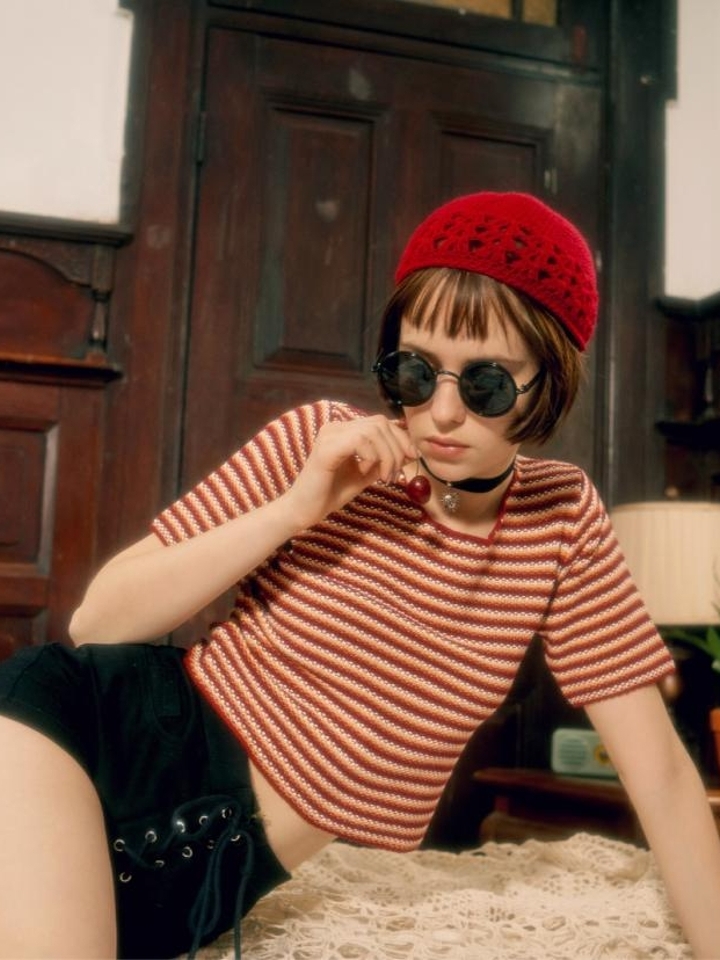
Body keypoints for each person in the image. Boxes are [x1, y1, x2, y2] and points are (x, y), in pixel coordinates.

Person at [1, 191, 719, 960]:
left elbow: (662, 779)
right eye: (416, 371)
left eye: (486, 383)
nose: (442, 412)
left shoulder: (561, 517)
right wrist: (295, 511)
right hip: (87, 735)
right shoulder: (321, 442)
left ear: (550, 379)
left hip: (216, 881)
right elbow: (96, 623)